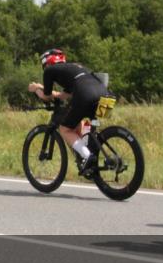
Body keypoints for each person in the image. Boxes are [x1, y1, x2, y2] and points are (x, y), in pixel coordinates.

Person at [28, 49, 111, 177]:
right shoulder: (75, 68)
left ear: (47, 64)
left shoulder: (50, 71)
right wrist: (42, 88)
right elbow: (62, 96)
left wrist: (36, 89)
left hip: (86, 94)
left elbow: (47, 97)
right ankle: (90, 156)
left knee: (65, 129)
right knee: (79, 124)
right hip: (107, 96)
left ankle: (88, 156)